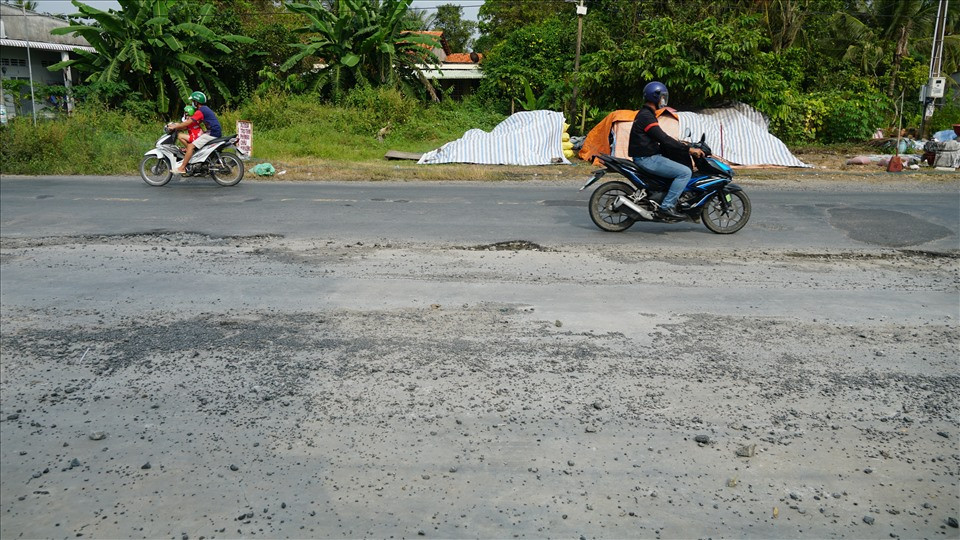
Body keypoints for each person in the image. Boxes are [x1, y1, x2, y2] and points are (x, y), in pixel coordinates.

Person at [627, 81, 705, 220]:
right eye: (662, 97)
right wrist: (689, 149)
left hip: (648, 156)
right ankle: (667, 206)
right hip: (647, 159)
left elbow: (660, 137)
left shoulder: (646, 114)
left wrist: (681, 144)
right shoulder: (646, 116)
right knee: (684, 172)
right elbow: (663, 138)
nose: (663, 100)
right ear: (655, 97)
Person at [166, 91, 222, 174]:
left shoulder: (200, 111)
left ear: (196, 102)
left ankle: (182, 168)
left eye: (193, 101)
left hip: (213, 133)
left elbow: (188, 122)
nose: (192, 103)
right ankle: (194, 157)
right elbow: (190, 123)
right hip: (212, 131)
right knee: (190, 144)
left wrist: (175, 127)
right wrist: (177, 125)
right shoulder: (204, 109)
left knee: (190, 146)